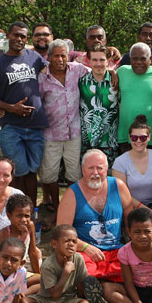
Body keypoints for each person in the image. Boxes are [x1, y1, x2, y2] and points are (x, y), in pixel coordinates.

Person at [57, 149, 132, 303]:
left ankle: (103, 293)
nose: (95, 173)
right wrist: (85, 248)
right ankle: (101, 294)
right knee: (82, 275)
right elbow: (61, 233)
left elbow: (131, 220)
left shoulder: (118, 186)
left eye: (100, 168)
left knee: (136, 273)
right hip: (86, 252)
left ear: (107, 169)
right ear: (82, 170)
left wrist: (133, 246)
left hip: (115, 249)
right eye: (90, 168)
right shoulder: (72, 193)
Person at [0, 21, 48, 206]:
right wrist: (11, 108)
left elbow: (57, 64)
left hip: (36, 126)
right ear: (8, 36)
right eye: (16, 35)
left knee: (32, 172)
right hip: (12, 126)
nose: (19, 39)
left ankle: (31, 212)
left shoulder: (34, 57)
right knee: (18, 172)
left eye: (23, 36)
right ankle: (18, 210)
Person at [38, 39, 90, 212]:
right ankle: (56, 205)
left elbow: (99, 71)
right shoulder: (42, 77)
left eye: (63, 56)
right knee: (48, 174)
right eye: (56, 56)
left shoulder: (77, 69)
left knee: (73, 173)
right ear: (49, 57)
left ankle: (71, 207)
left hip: (73, 133)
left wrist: (112, 74)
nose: (60, 59)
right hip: (51, 133)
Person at [19, 224, 91, 303]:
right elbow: (55, 294)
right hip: (47, 301)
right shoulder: (48, 265)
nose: (71, 244)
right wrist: (66, 272)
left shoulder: (78, 259)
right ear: (54, 244)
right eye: (67, 241)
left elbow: (80, 284)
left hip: (67, 301)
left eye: (74, 241)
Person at [118, 42, 152, 151]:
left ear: (151, 59)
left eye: (143, 59)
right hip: (126, 136)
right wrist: (111, 72)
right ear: (130, 59)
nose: (139, 62)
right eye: (135, 58)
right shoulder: (122, 72)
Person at [112, 115, 152, 209]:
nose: (139, 141)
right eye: (134, 137)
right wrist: (144, 209)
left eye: (143, 138)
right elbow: (121, 194)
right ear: (129, 137)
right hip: (131, 207)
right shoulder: (120, 162)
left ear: (149, 137)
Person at [79, 43, 119, 168]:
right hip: (87, 141)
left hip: (110, 141)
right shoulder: (80, 81)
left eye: (102, 60)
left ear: (108, 61)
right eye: (94, 60)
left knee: (109, 180)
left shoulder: (117, 82)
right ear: (89, 61)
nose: (98, 63)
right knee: (88, 178)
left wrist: (113, 72)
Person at [0, 194, 42, 295]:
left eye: (27, 216)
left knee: (44, 280)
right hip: (6, 272)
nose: (24, 220)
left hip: (22, 268)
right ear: (9, 215)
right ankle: (15, 290)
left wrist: (37, 274)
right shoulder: (3, 234)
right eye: (19, 216)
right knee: (41, 282)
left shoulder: (30, 226)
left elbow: (32, 252)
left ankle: (20, 291)